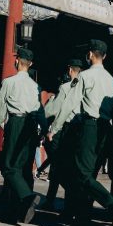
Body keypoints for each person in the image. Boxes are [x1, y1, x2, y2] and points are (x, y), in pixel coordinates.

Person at [47, 39, 113, 226]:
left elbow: (70, 103)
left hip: (90, 127)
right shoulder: (112, 80)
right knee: (90, 174)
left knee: (82, 173)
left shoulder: (85, 77)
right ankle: (83, 219)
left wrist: (54, 127)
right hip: (107, 128)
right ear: (104, 56)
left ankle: (112, 204)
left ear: (89, 54)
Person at [0, 48, 47, 224]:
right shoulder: (35, 86)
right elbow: (40, 110)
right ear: (31, 64)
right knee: (25, 168)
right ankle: (23, 210)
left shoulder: (9, 82)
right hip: (32, 125)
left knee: (9, 167)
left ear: (17, 61)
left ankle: (26, 198)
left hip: (16, 123)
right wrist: (45, 130)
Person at [40, 59, 83, 210]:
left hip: (65, 130)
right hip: (83, 130)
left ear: (70, 70)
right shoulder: (86, 87)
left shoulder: (65, 88)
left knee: (58, 166)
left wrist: (50, 127)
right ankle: (72, 204)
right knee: (73, 168)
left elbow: (55, 110)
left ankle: (51, 199)